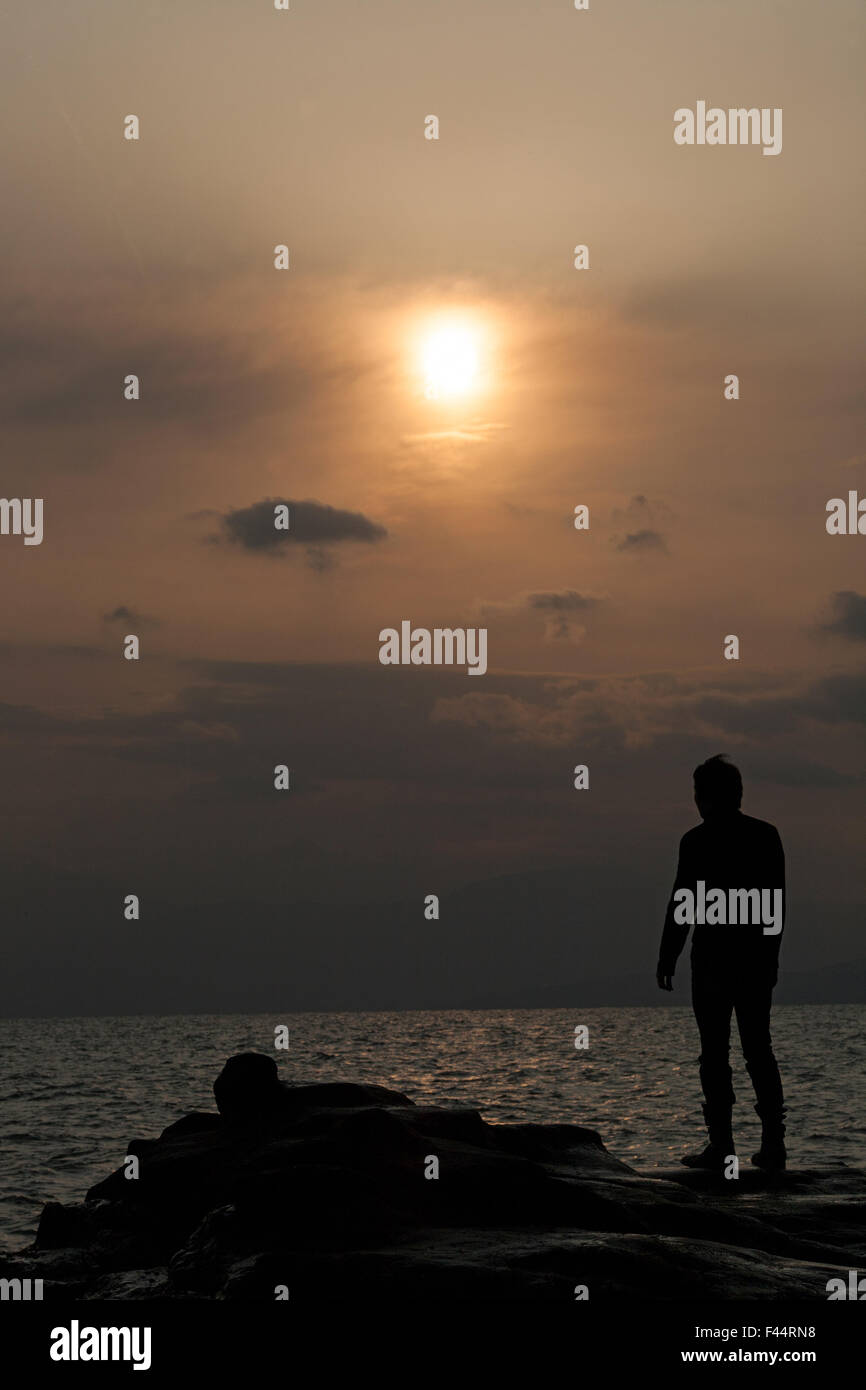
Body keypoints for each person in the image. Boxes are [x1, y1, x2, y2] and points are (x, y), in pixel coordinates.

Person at [656, 755, 787, 1172]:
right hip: (752, 961)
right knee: (758, 1051)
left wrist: (668, 955)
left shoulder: (696, 842)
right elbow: (774, 907)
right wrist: (771, 958)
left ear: (705, 796)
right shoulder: (766, 836)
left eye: (698, 793)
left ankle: (722, 1146)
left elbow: (683, 903)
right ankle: (773, 1147)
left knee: (715, 1054)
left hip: (712, 961)